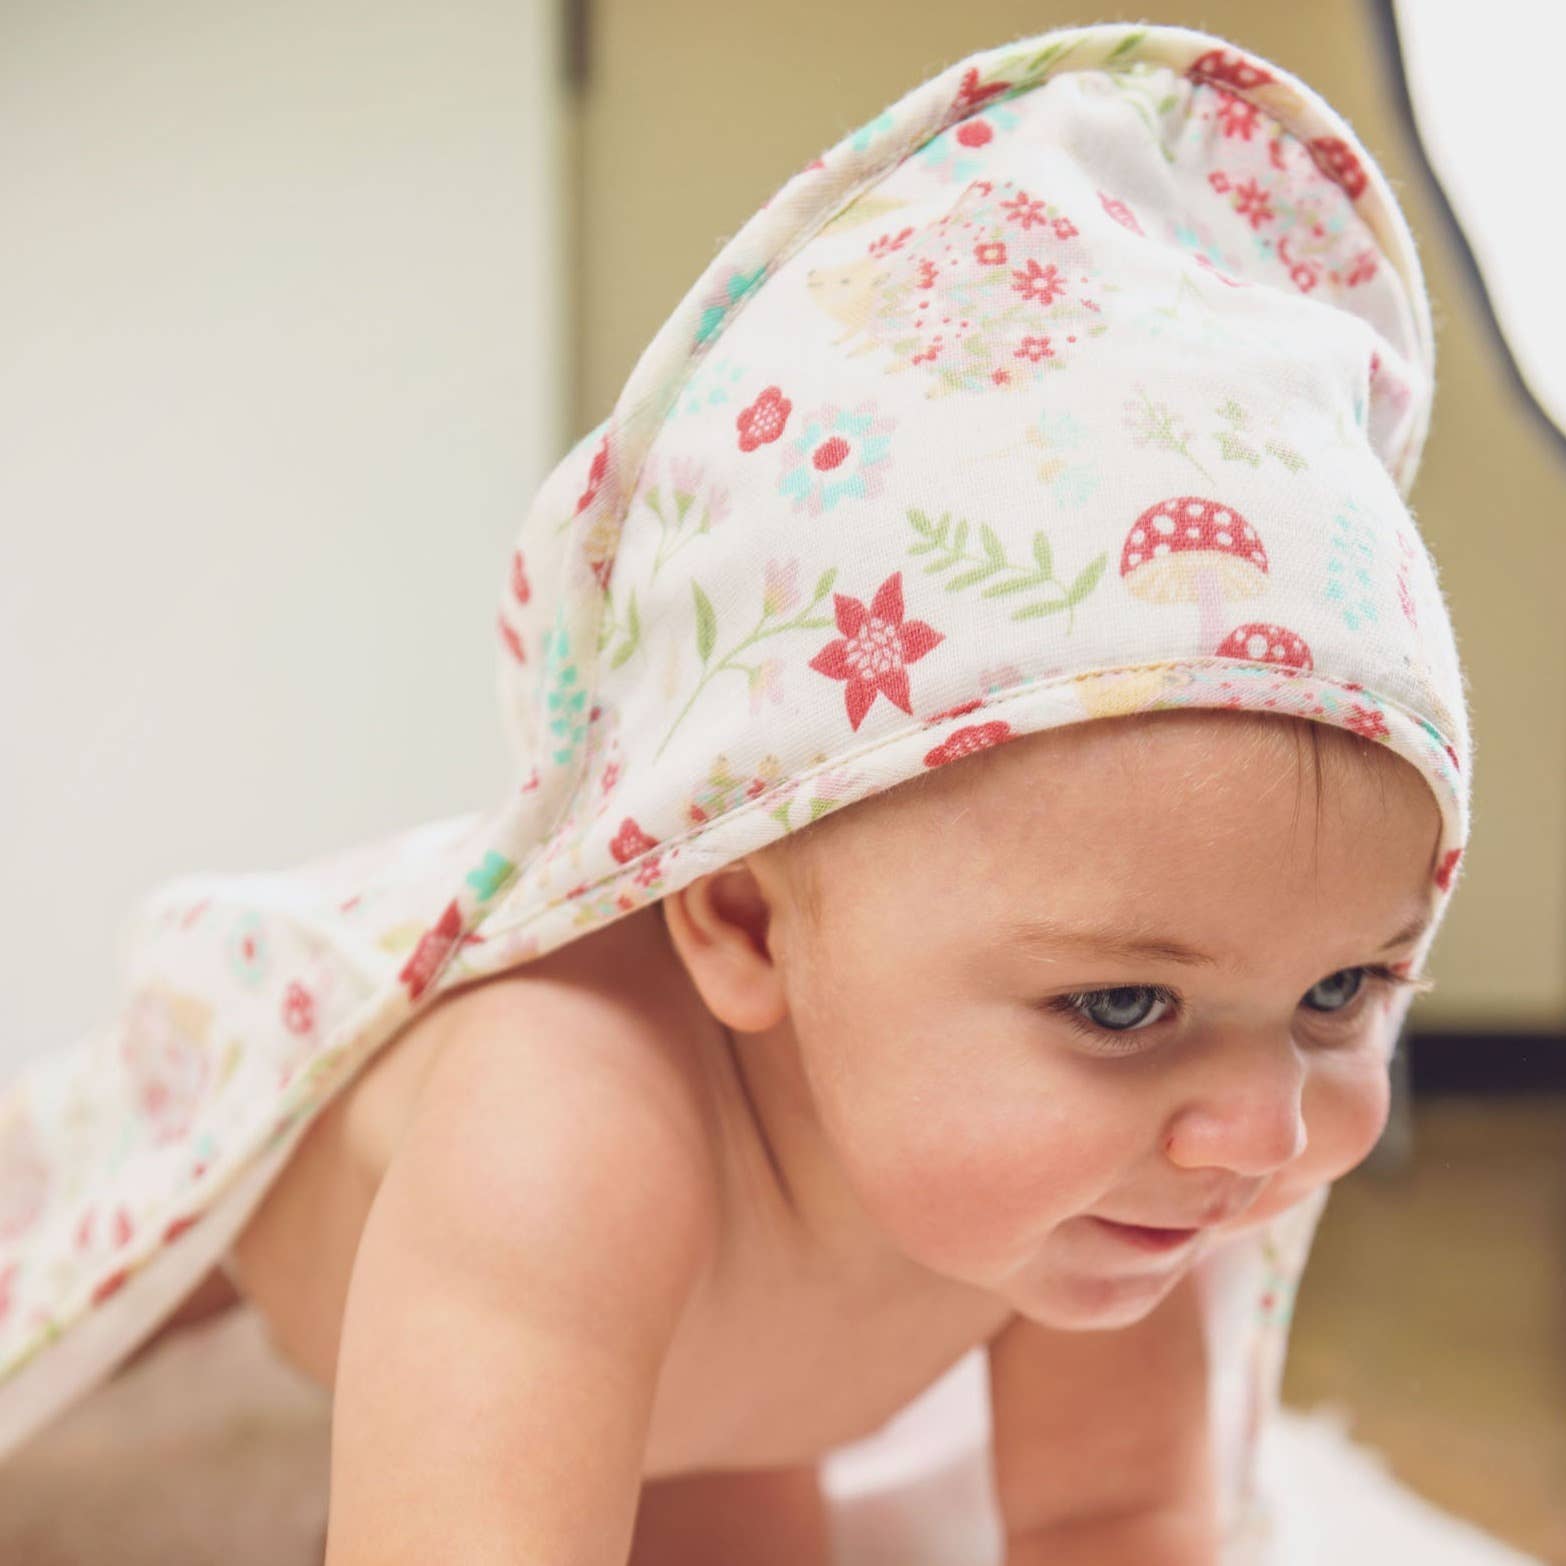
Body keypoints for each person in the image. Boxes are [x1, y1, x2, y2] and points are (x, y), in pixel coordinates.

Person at [0, 22, 1472, 1566]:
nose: (1259, 1123)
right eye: (1118, 1003)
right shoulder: (560, 1134)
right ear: (742, 920)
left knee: (733, 1502)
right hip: (365, 1226)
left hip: (724, 1351)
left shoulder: (1123, 1169)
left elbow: (1116, 1514)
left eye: (1340, 986)